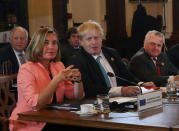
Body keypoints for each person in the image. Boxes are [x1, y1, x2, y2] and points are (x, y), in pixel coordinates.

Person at [9, 26, 84, 131]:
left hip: (55, 119)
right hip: (28, 123)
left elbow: (76, 96)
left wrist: (78, 81)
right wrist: (56, 80)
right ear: (36, 45)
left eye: (54, 43)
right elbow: (36, 105)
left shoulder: (58, 65)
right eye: (46, 42)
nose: (51, 47)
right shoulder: (26, 69)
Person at [67, 20, 154, 98]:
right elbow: (89, 89)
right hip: (97, 105)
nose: (94, 42)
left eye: (96, 37)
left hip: (123, 101)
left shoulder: (111, 53)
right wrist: (121, 91)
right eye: (89, 39)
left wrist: (141, 84)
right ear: (81, 42)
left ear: (101, 38)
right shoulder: (77, 60)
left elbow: (126, 75)